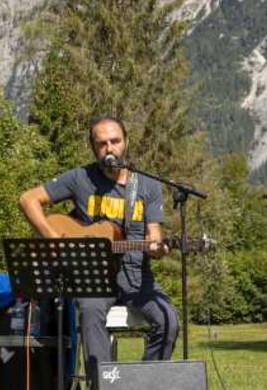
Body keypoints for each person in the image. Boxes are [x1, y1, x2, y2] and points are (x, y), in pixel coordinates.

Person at [19, 116, 178, 385]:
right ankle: (103, 384)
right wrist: (54, 239)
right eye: (101, 143)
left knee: (168, 321)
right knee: (91, 312)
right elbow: (28, 199)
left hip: (136, 275)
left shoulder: (148, 185)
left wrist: (158, 248)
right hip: (93, 275)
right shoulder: (80, 177)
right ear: (93, 148)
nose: (109, 148)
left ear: (125, 143)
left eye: (115, 141)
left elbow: (155, 238)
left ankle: (145, 383)